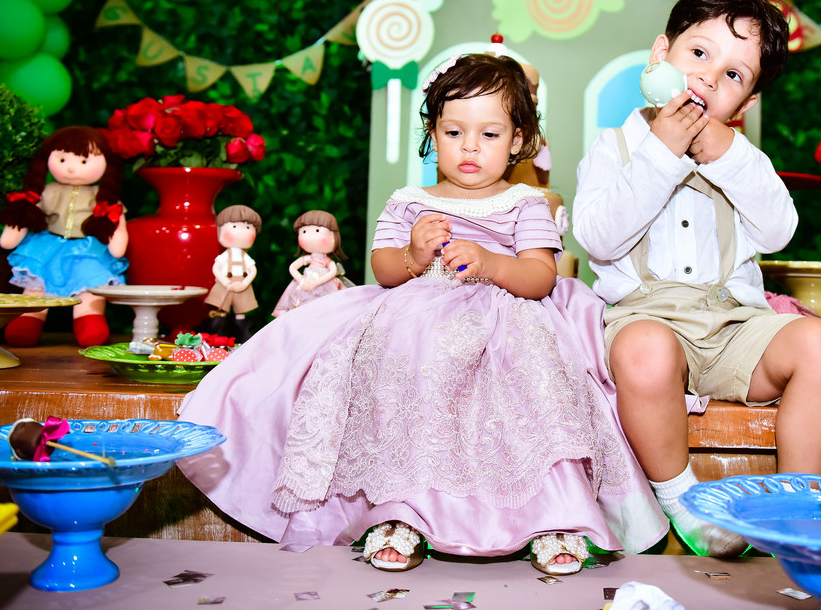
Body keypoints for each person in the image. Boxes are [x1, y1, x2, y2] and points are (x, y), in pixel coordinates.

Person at [178, 53, 666, 575]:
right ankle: (401, 514)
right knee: (401, 376)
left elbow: (540, 276)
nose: (470, 147)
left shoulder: (525, 202)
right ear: (433, 134)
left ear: (518, 139)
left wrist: (492, 263)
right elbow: (384, 270)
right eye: (454, 132)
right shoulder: (410, 200)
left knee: (536, 385)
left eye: (489, 134)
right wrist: (412, 256)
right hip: (418, 316)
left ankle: (555, 517)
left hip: (507, 321)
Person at [573, 0, 821, 557]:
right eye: (698, 53)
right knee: (645, 350)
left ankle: (795, 505)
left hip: (733, 328)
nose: (707, 78)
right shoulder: (614, 147)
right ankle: (683, 501)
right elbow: (597, 236)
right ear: (660, 55)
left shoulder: (743, 160)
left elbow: (778, 231)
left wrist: (729, 155)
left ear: (745, 105)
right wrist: (661, 153)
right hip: (646, 322)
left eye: (733, 75)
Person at [0, 126, 129, 348]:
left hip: (87, 251)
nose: (71, 168)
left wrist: (117, 243)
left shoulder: (102, 197)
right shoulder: (46, 192)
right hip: (47, 247)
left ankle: (89, 320)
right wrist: (13, 232)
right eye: (62, 160)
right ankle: (29, 320)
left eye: (83, 161)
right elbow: (26, 212)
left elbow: (115, 219)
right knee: (36, 286)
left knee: (90, 288)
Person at [271, 209, 348, 318]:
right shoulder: (309, 258)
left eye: (317, 231)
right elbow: (292, 267)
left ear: (333, 236)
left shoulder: (327, 261)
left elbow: (333, 272)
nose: (310, 236)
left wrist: (316, 283)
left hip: (324, 285)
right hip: (305, 282)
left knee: (326, 310)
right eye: (304, 232)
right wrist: (301, 280)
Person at [204, 205, 261, 342]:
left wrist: (244, 283)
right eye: (234, 226)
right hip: (225, 285)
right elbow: (216, 268)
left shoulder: (245, 257)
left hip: (242, 286)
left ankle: (243, 339)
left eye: (248, 227)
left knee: (241, 312)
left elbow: (252, 270)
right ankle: (217, 338)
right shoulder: (225, 256)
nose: (241, 231)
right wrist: (226, 283)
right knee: (220, 310)